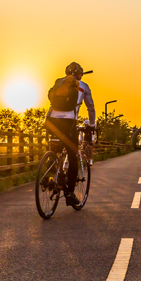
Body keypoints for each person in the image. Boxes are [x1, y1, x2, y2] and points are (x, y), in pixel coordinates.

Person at [45, 62, 96, 206]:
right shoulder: (83, 86)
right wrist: (91, 125)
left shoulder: (59, 83)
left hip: (52, 120)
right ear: (79, 75)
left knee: (55, 149)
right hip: (69, 122)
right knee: (73, 156)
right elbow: (90, 108)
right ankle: (69, 193)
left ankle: (50, 176)